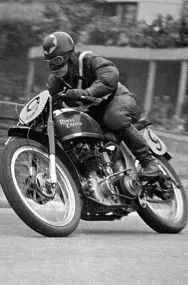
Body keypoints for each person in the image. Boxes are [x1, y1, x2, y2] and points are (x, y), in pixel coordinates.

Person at [43, 31, 159, 177]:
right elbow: (50, 104)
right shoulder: (55, 82)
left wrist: (88, 92)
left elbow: (110, 75)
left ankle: (149, 162)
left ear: (70, 55)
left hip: (121, 101)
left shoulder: (87, 60)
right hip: (96, 117)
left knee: (113, 117)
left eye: (57, 60)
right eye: (49, 63)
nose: (53, 67)